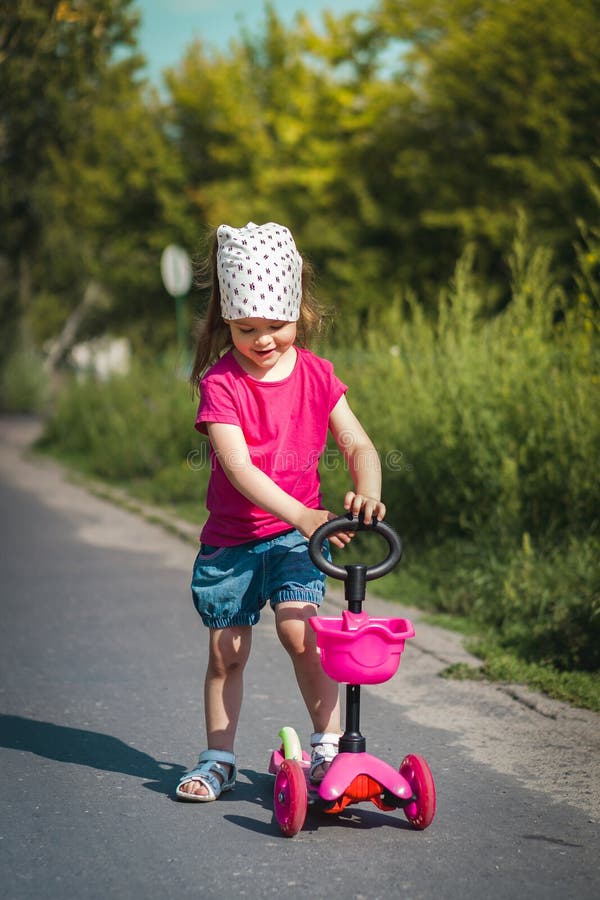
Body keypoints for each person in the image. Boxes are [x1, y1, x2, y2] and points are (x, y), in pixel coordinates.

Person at [176, 221, 386, 801]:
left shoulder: (317, 374)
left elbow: (358, 445)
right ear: (228, 322)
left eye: (276, 326)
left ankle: (327, 748)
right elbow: (240, 471)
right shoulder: (221, 383)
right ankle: (218, 758)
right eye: (247, 329)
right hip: (234, 542)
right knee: (228, 653)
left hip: (297, 541)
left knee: (302, 634)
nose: (263, 339)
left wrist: (366, 487)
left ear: (300, 312)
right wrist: (303, 513)